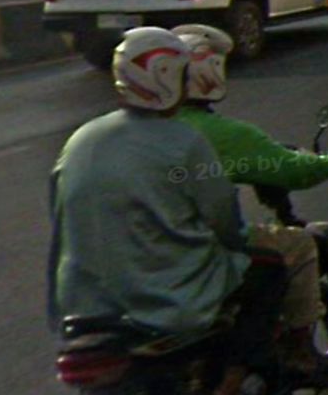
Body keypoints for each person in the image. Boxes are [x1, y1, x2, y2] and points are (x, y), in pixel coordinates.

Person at [47, 26, 287, 395]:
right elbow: (224, 220)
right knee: (269, 269)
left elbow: (60, 212)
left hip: (81, 301)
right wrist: (235, 244)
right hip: (165, 297)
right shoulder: (184, 141)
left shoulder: (80, 139)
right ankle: (235, 375)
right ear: (172, 79)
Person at [171, 23, 328, 376]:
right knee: (299, 244)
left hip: (139, 250)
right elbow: (292, 170)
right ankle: (298, 348)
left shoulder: (112, 134)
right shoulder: (224, 133)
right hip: (199, 247)